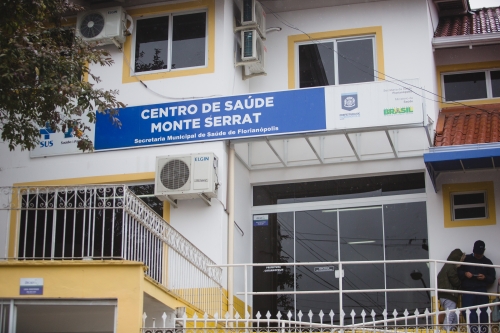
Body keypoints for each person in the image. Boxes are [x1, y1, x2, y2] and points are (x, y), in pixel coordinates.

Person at [458, 240, 496, 329]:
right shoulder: (466, 259)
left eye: (479, 254)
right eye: (476, 253)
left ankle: (483, 331)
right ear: (473, 250)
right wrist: (465, 274)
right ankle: (474, 330)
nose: (478, 255)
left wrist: (485, 277)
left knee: (483, 313)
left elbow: (492, 278)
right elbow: (458, 271)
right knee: (467, 312)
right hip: (468, 290)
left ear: (484, 251)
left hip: (481, 291)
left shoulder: (487, 262)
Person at [438, 248, 465, 330]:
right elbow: (454, 280)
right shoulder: (451, 266)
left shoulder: (446, 266)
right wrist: (461, 284)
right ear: (458, 258)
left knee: (453, 317)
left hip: (443, 295)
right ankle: (446, 331)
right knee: (450, 316)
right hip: (449, 295)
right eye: (461, 260)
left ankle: (451, 330)